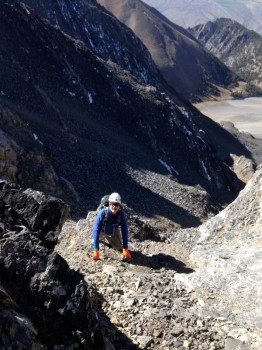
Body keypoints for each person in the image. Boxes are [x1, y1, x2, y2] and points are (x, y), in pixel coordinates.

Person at [92, 192, 132, 260]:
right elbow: (96, 230)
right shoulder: (102, 213)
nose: (115, 206)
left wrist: (125, 248)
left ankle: (111, 241)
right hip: (102, 232)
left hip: (113, 232)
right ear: (109, 203)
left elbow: (124, 230)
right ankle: (96, 242)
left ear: (119, 205)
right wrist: (96, 250)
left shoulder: (121, 214)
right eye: (113, 204)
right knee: (95, 239)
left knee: (119, 247)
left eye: (117, 204)